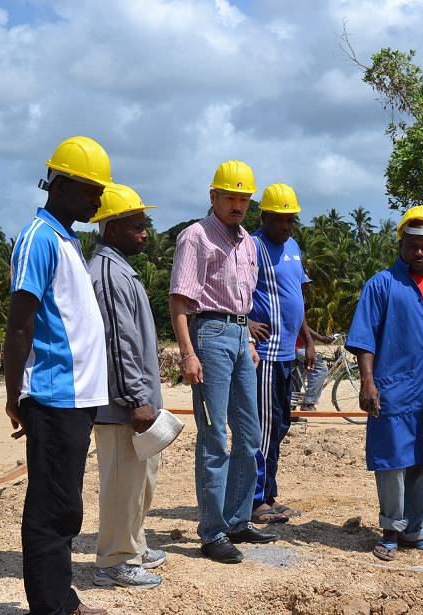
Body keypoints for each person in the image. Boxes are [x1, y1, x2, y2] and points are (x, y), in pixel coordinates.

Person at [4, 136, 112, 615]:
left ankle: (60, 600)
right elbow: (20, 325)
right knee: (51, 510)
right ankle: (51, 607)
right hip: (50, 395)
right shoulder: (38, 238)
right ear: (62, 184)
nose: (98, 200)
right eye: (91, 190)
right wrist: (15, 397)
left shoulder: (65, 238)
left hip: (76, 398)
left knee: (66, 505)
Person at [345, 205, 423, 562]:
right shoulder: (382, 285)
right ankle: (390, 532)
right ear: (401, 243)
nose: (420, 253)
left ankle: (415, 531)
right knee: (392, 461)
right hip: (393, 388)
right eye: (413, 245)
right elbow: (365, 339)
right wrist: (367, 382)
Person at [168, 160, 279, 564]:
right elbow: (180, 300)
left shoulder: (248, 241)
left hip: (238, 335)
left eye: (243, 199)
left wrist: (247, 336)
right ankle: (213, 532)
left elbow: (241, 299)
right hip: (209, 335)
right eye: (230, 197)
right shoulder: (195, 238)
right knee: (214, 438)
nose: (237, 205)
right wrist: (187, 352)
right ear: (213, 196)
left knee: (250, 436)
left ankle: (237, 519)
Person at [88, 184, 174, 590]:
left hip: (136, 403)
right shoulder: (107, 274)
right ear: (112, 229)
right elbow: (117, 345)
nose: (145, 234)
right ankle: (114, 562)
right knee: (123, 485)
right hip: (121, 405)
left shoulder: (119, 268)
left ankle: (133, 545)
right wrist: (137, 400)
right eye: (136, 226)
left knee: (141, 481)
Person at [246, 183, 316, 523]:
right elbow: (230, 290)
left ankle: (269, 494)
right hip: (265, 356)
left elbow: (297, 298)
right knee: (263, 428)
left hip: (288, 353)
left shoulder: (294, 247)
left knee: (281, 425)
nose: (286, 227)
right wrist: (244, 323)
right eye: (279, 220)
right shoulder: (252, 246)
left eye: (290, 220)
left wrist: (308, 341)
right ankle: (254, 499)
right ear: (265, 216)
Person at [292, 322, 332, 411]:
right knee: (320, 369)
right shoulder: (300, 307)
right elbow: (302, 325)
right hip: (298, 347)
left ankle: (290, 411)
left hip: (295, 345)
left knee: (297, 377)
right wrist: (321, 338)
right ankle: (309, 402)